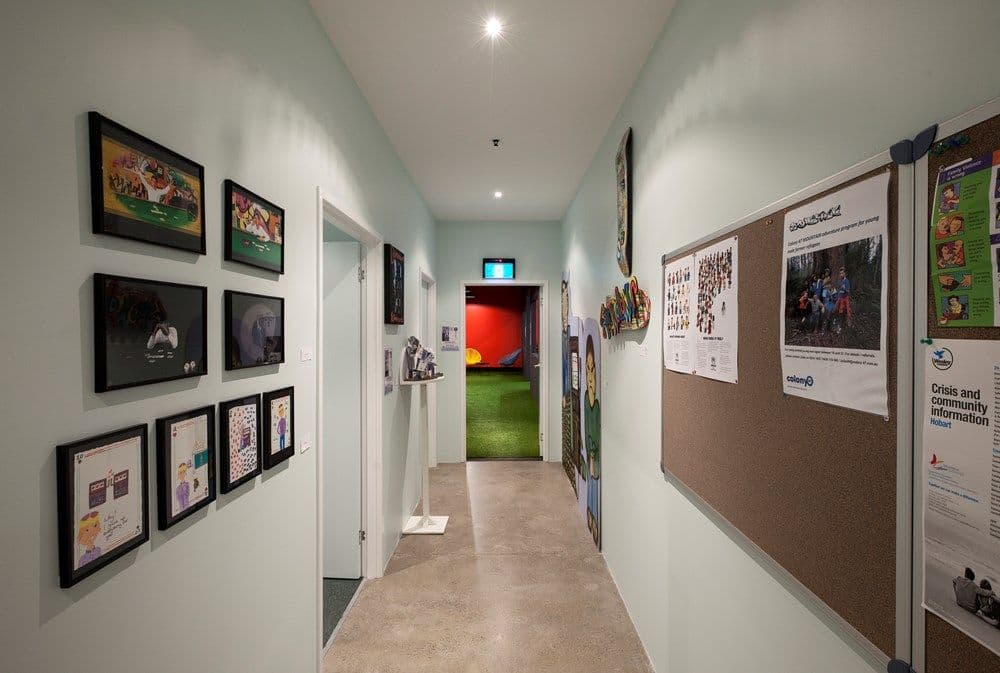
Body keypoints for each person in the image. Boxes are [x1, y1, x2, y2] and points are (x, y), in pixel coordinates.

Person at [584, 335, 601, 548]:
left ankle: (594, 520)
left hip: (594, 463)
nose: (589, 376)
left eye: (592, 370)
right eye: (587, 370)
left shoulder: (595, 408)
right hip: (590, 461)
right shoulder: (587, 406)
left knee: (594, 484)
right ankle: (590, 515)